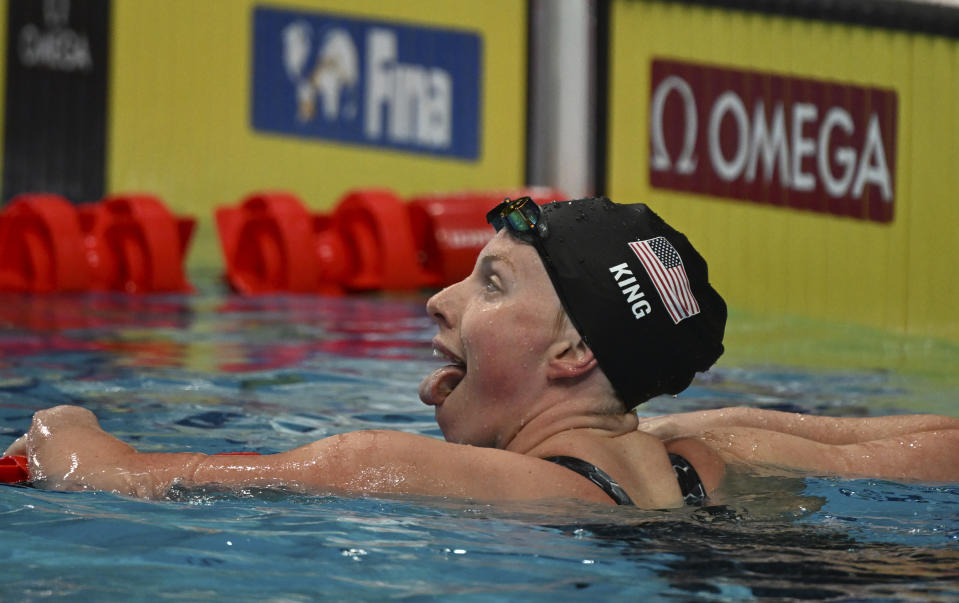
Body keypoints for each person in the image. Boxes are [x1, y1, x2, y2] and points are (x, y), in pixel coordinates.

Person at [5, 197, 959, 508]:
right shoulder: (713, 445)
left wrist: (60, 428)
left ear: (575, 350)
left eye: (492, 284)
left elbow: (113, 476)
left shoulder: (428, 471)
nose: (439, 296)